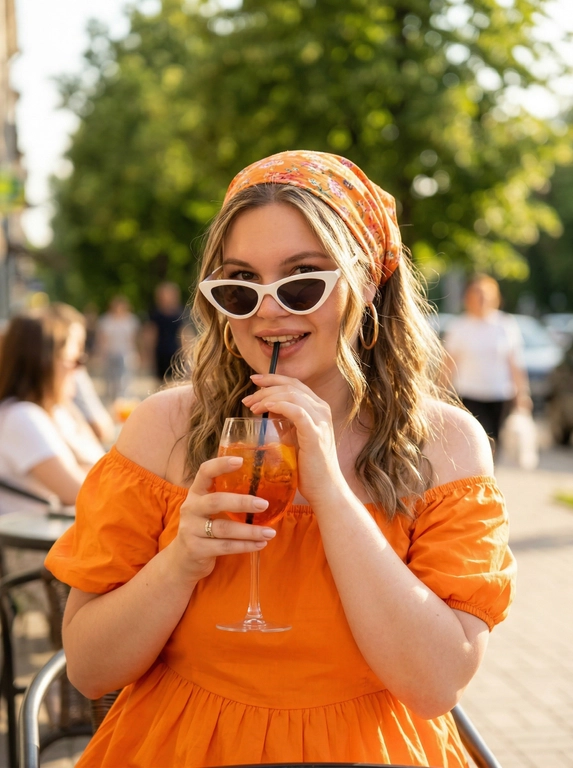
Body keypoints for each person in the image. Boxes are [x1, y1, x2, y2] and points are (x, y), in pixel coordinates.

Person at [45, 151, 515, 767]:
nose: (268, 311)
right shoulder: (164, 429)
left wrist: (332, 495)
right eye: (241, 285)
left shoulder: (445, 443)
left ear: (367, 283)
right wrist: (180, 562)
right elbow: (88, 667)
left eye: (302, 281)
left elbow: (436, 683)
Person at [0, 304, 105, 516]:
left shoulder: (53, 412)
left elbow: (101, 467)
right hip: (38, 535)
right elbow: (84, 492)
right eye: (75, 360)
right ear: (44, 363)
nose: (80, 370)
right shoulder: (22, 416)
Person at [443, 274, 532, 447]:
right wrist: (440, 391)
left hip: (499, 395)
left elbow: (515, 363)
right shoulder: (458, 327)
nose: (481, 299)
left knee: (495, 441)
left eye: (485, 295)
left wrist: (523, 394)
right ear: (468, 298)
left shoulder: (505, 325)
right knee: (473, 441)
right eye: (476, 294)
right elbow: (448, 363)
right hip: (469, 394)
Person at [95, 295, 140, 402]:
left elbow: (133, 339)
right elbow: (102, 339)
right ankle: (111, 399)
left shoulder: (131, 320)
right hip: (110, 353)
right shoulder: (106, 321)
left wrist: (136, 353)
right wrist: (101, 354)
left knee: (124, 379)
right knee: (110, 379)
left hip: (125, 353)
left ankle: (122, 400)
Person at [142, 281, 186, 383]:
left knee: (176, 382)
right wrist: (148, 355)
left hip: (176, 352)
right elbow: (151, 336)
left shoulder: (179, 313)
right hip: (160, 352)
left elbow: (183, 334)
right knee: (160, 382)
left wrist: (186, 353)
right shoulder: (155, 314)